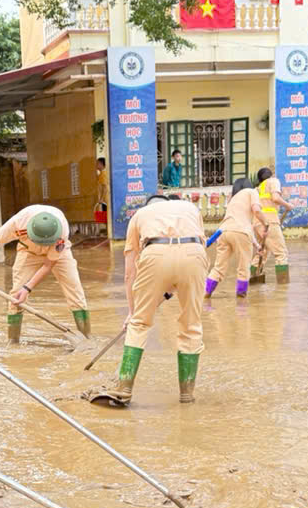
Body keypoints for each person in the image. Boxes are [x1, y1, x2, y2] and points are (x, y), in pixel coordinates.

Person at [87, 193, 205, 406]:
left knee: (139, 324)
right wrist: (172, 286)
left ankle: (124, 388)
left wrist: (133, 313)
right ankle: (187, 394)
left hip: (155, 253)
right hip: (194, 253)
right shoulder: (189, 209)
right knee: (191, 325)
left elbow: (129, 274)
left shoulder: (140, 215)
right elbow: (189, 257)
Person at [0, 204, 89, 342]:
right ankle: (13, 341)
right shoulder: (17, 223)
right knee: (16, 295)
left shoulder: (62, 232)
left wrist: (28, 288)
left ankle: (86, 338)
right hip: (28, 251)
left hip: (59, 254)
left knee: (75, 291)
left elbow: (48, 265)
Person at [205, 177, 264, 297]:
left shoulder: (232, 199)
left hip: (224, 233)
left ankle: (205, 293)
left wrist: (257, 246)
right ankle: (241, 300)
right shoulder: (252, 192)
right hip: (240, 233)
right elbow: (256, 211)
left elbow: (245, 225)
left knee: (218, 268)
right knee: (243, 267)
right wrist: (266, 223)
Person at [251, 166, 295, 284]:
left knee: (262, 252)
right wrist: (288, 205)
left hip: (257, 222)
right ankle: (283, 286)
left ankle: (252, 279)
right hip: (269, 222)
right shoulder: (273, 181)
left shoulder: (257, 188)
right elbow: (275, 198)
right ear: (271, 175)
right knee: (281, 253)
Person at [95, 157, 109, 235]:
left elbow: (104, 187)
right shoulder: (101, 174)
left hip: (105, 199)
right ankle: (107, 231)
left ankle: (107, 231)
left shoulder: (103, 174)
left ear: (101, 164)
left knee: (106, 215)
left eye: (97, 163)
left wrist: (101, 198)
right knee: (105, 215)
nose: (96, 165)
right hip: (104, 199)